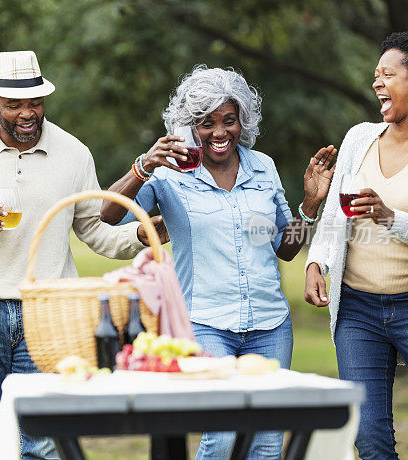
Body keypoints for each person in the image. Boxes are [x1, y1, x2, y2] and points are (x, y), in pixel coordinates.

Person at [0, 50, 163, 459]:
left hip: (48, 314)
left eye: (35, 103)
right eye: (15, 105)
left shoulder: (74, 153)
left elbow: (95, 232)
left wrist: (148, 231)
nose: (27, 113)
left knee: (45, 445)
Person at [100, 66, 335, 459]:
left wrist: (310, 204)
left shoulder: (263, 167)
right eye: (206, 123)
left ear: (243, 121)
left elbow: (284, 247)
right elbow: (108, 213)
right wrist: (143, 166)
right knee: (222, 436)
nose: (219, 132)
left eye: (229, 120)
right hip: (206, 322)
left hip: (269, 324)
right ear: (189, 126)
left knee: (267, 442)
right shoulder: (169, 173)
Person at [304, 31, 408, 458]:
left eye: (388, 74)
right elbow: (335, 216)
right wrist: (316, 263)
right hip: (357, 310)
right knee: (370, 440)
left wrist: (392, 219)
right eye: (375, 74)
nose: (377, 82)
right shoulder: (360, 138)